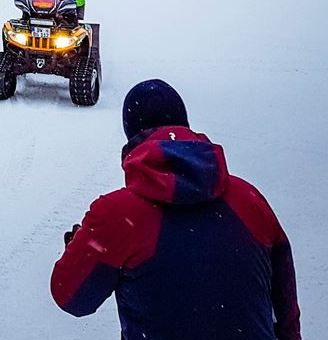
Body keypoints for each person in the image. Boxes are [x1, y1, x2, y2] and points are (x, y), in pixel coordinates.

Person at [50, 80, 301, 340]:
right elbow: (286, 311)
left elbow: (70, 297)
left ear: (131, 136)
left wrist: (84, 245)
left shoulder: (116, 215)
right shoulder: (250, 200)